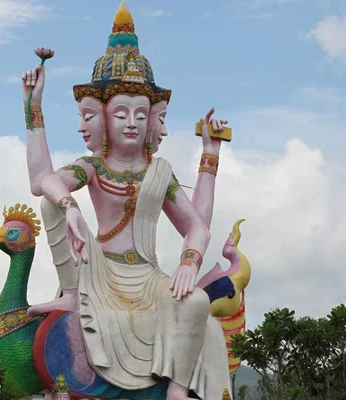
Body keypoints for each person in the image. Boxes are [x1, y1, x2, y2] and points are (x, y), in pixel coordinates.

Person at [21, 1, 232, 398]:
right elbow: (43, 182)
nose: (131, 122)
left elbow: (197, 226)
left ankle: (177, 391)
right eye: (121, 113)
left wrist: (190, 263)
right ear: (101, 117)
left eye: (140, 113)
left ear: (153, 118)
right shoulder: (95, 167)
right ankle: (70, 293)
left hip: (149, 277)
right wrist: (34, 109)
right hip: (99, 271)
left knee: (197, 302)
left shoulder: (160, 172)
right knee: (52, 200)